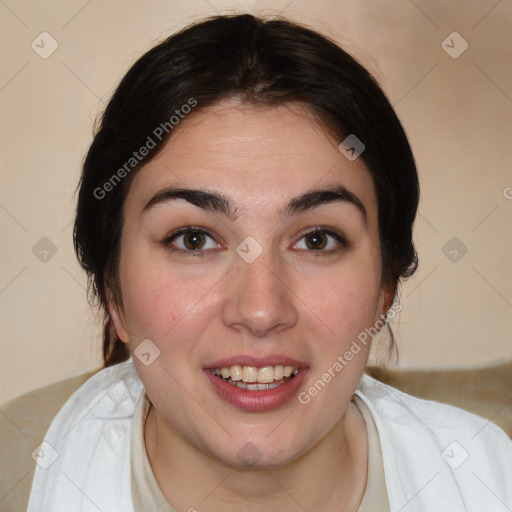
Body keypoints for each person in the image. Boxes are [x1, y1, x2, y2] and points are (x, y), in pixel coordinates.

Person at [6, 12, 512, 511]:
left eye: (316, 240)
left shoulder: (491, 481)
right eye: (194, 239)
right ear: (113, 290)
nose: (261, 310)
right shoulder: (16, 473)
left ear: (386, 288)